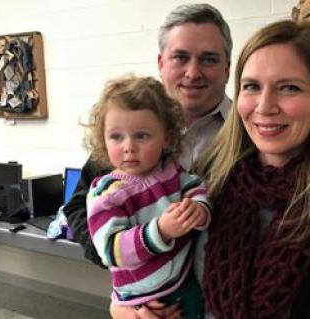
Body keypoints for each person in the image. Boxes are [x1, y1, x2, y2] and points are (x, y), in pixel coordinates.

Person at [114, 19, 310, 319]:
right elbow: (145, 260)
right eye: (252, 86)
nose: (264, 106)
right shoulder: (205, 183)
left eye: (289, 88)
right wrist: (125, 307)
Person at [63, 3, 231, 268]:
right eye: (180, 57)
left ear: (227, 68)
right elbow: (77, 209)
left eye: (209, 59)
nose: (193, 72)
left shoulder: (250, 132)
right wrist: (128, 281)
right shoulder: (127, 126)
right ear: (161, 63)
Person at [85, 75, 211, 318]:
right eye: (116, 137)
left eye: (141, 135)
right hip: (142, 301)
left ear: (167, 137)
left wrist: (199, 207)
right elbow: (111, 249)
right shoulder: (107, 192)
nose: (128, 146)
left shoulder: (171, 170)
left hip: (184, 283)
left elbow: (195, 187)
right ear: (103, 139)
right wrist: (161, 231)